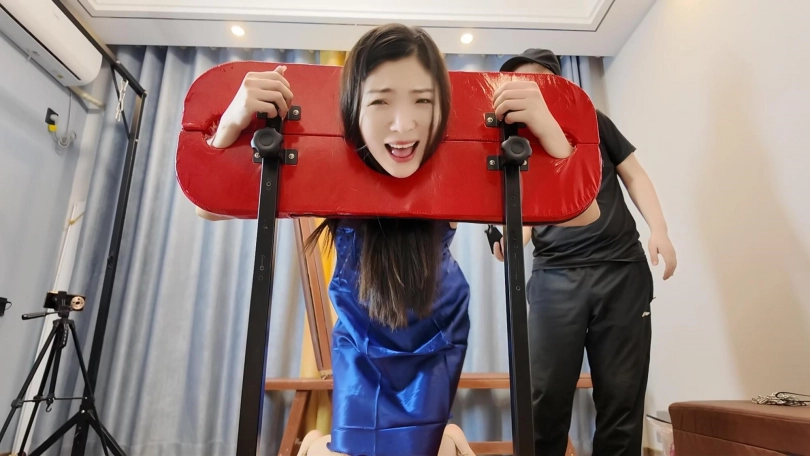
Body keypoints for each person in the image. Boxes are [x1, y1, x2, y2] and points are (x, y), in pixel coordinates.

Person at [197, 29, 596, 455]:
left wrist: (550, 133)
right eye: (381, 101)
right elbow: (209, 208)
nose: (403, 125)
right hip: (360, 331)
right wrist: (232, 125)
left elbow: (584, 213)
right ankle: (322, 441)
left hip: (436, 331)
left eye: (422, 101)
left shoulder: (459, 166)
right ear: (354, 108)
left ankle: (443, 436)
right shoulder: (325, 164)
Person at [493, 48, 678, 456]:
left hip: (621, 270)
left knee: (622, 396)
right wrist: (510, 241)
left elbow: (634, 175)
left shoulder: (592, 120)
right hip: (555, 277)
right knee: (545, 397)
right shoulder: (512, 140)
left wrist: (659, 230)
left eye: (536, 81)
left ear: (558, 85)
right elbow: (525, 219)